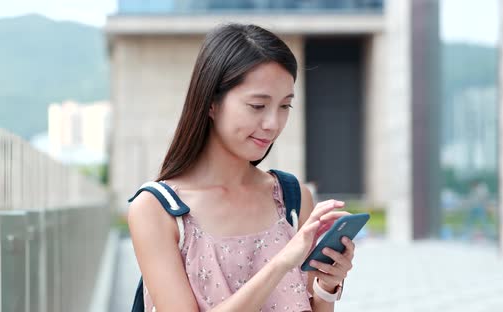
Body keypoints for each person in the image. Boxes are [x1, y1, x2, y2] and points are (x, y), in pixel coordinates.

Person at [127, 23, 355, 312]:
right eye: (258, 106)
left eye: (285, 106)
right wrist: (283, 261)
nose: (273, 123)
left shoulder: (293, 198)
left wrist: (328, 285)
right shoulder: (157, 210)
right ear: (211, 103)